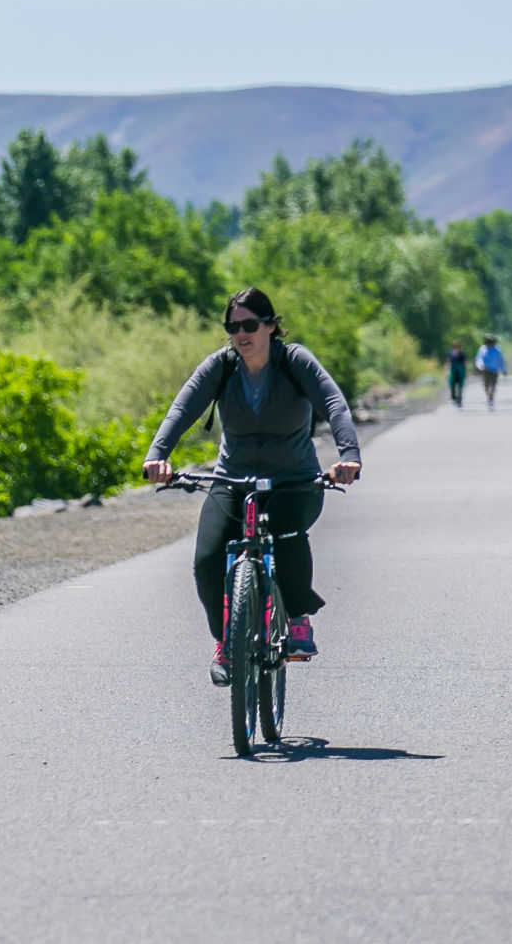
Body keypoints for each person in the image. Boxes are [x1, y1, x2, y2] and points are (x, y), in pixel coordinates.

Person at [141, 288, 362, 684]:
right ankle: (226, 640)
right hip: (232, 479)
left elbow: (334, 404)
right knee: (208, 558)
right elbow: (182, 408)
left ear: (271, 326)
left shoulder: (295, 361)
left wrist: (348, 456)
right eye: (232, 326)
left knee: (287, 532)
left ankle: (295, 617)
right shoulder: (221, 367)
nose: (240, 334)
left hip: (295, 481)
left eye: (249, 325)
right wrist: (158, 455)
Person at [474, 335, 505, 408]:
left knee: (493, 385)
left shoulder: (497, 350)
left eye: (491, 342)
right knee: (486, 385)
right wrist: (480, 366)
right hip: (485, 370)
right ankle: (489, 396)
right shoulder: (482, 349)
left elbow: (501, 360)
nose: (489, 343)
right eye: (488, 342)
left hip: (494, 370)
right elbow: (479, 359)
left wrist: (504, 369)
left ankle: (491, 398)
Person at [447, 341, 468, 407]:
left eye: (458, 346)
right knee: (452, 384)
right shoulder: (451, 353)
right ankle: (453, 396)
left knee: (460, 385)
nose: (457, 347)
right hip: (453, 371)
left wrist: (465, 371)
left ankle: (459, 398)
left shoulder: (462, 354)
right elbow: (448, 361)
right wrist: (447, 369)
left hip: (460, 371)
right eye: (456, 346)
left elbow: (464, 362)